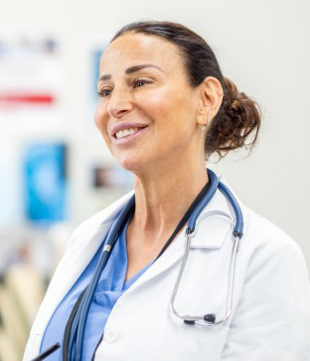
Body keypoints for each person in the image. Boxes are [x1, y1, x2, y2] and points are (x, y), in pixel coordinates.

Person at [23, 21, 310, 360]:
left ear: (206, 99)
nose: (115, 105)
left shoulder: (264, 257)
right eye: (105, 91)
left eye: (140, 82)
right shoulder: (87, 241)